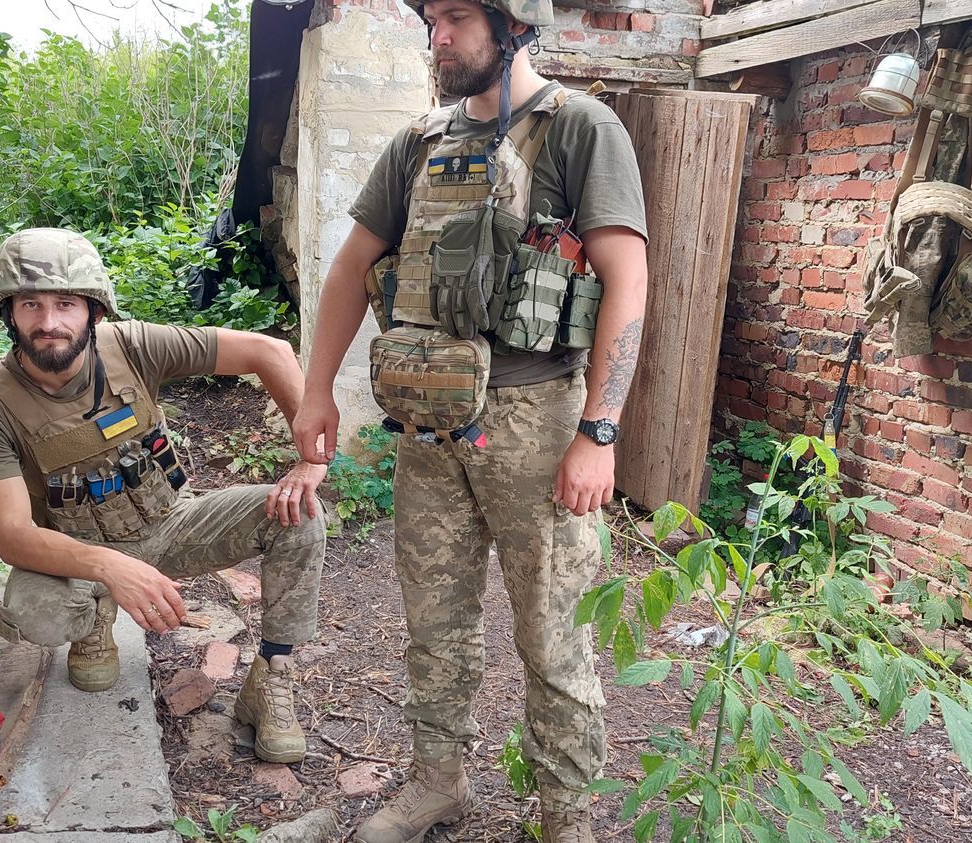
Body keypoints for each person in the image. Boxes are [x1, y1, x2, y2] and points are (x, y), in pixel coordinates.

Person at [290, 0, 648, 838]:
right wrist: (313, 394)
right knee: (434, 622)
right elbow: (350, 270)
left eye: (455, 17)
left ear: (512, 23)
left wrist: (600, 430)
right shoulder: (418, 144)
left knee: (553, 633)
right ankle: (437, 780)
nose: (437, 36)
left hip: (539, 418)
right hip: (431, 423)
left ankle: (564, 817)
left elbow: (627, 282)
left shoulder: (582, 130)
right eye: (431, 19)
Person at [0, 227, 326, 764]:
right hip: (75, 557)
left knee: (299, 515)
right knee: (33, 611)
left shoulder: (134, 346)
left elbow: (268, 352)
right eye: (30, 304)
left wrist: (311, 457)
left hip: (171, 525)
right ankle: (93, 621)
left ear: (95, 312)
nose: (49, 322)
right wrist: (109, 569)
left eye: (66, 303)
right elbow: (13, 536)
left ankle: (271, 675)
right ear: (7, 313)